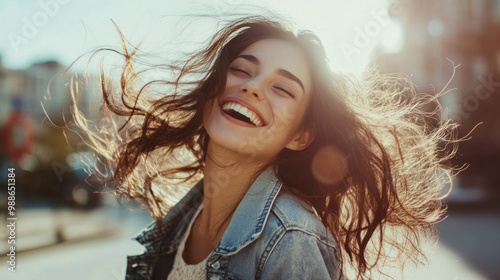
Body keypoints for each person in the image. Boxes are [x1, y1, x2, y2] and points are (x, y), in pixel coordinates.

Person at [68, 15, 458, 280]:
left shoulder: (290, 239)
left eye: (283, 88)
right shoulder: (185, 217)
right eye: (241, 68)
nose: (252, 86)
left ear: (300, 136)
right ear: (212, 90)